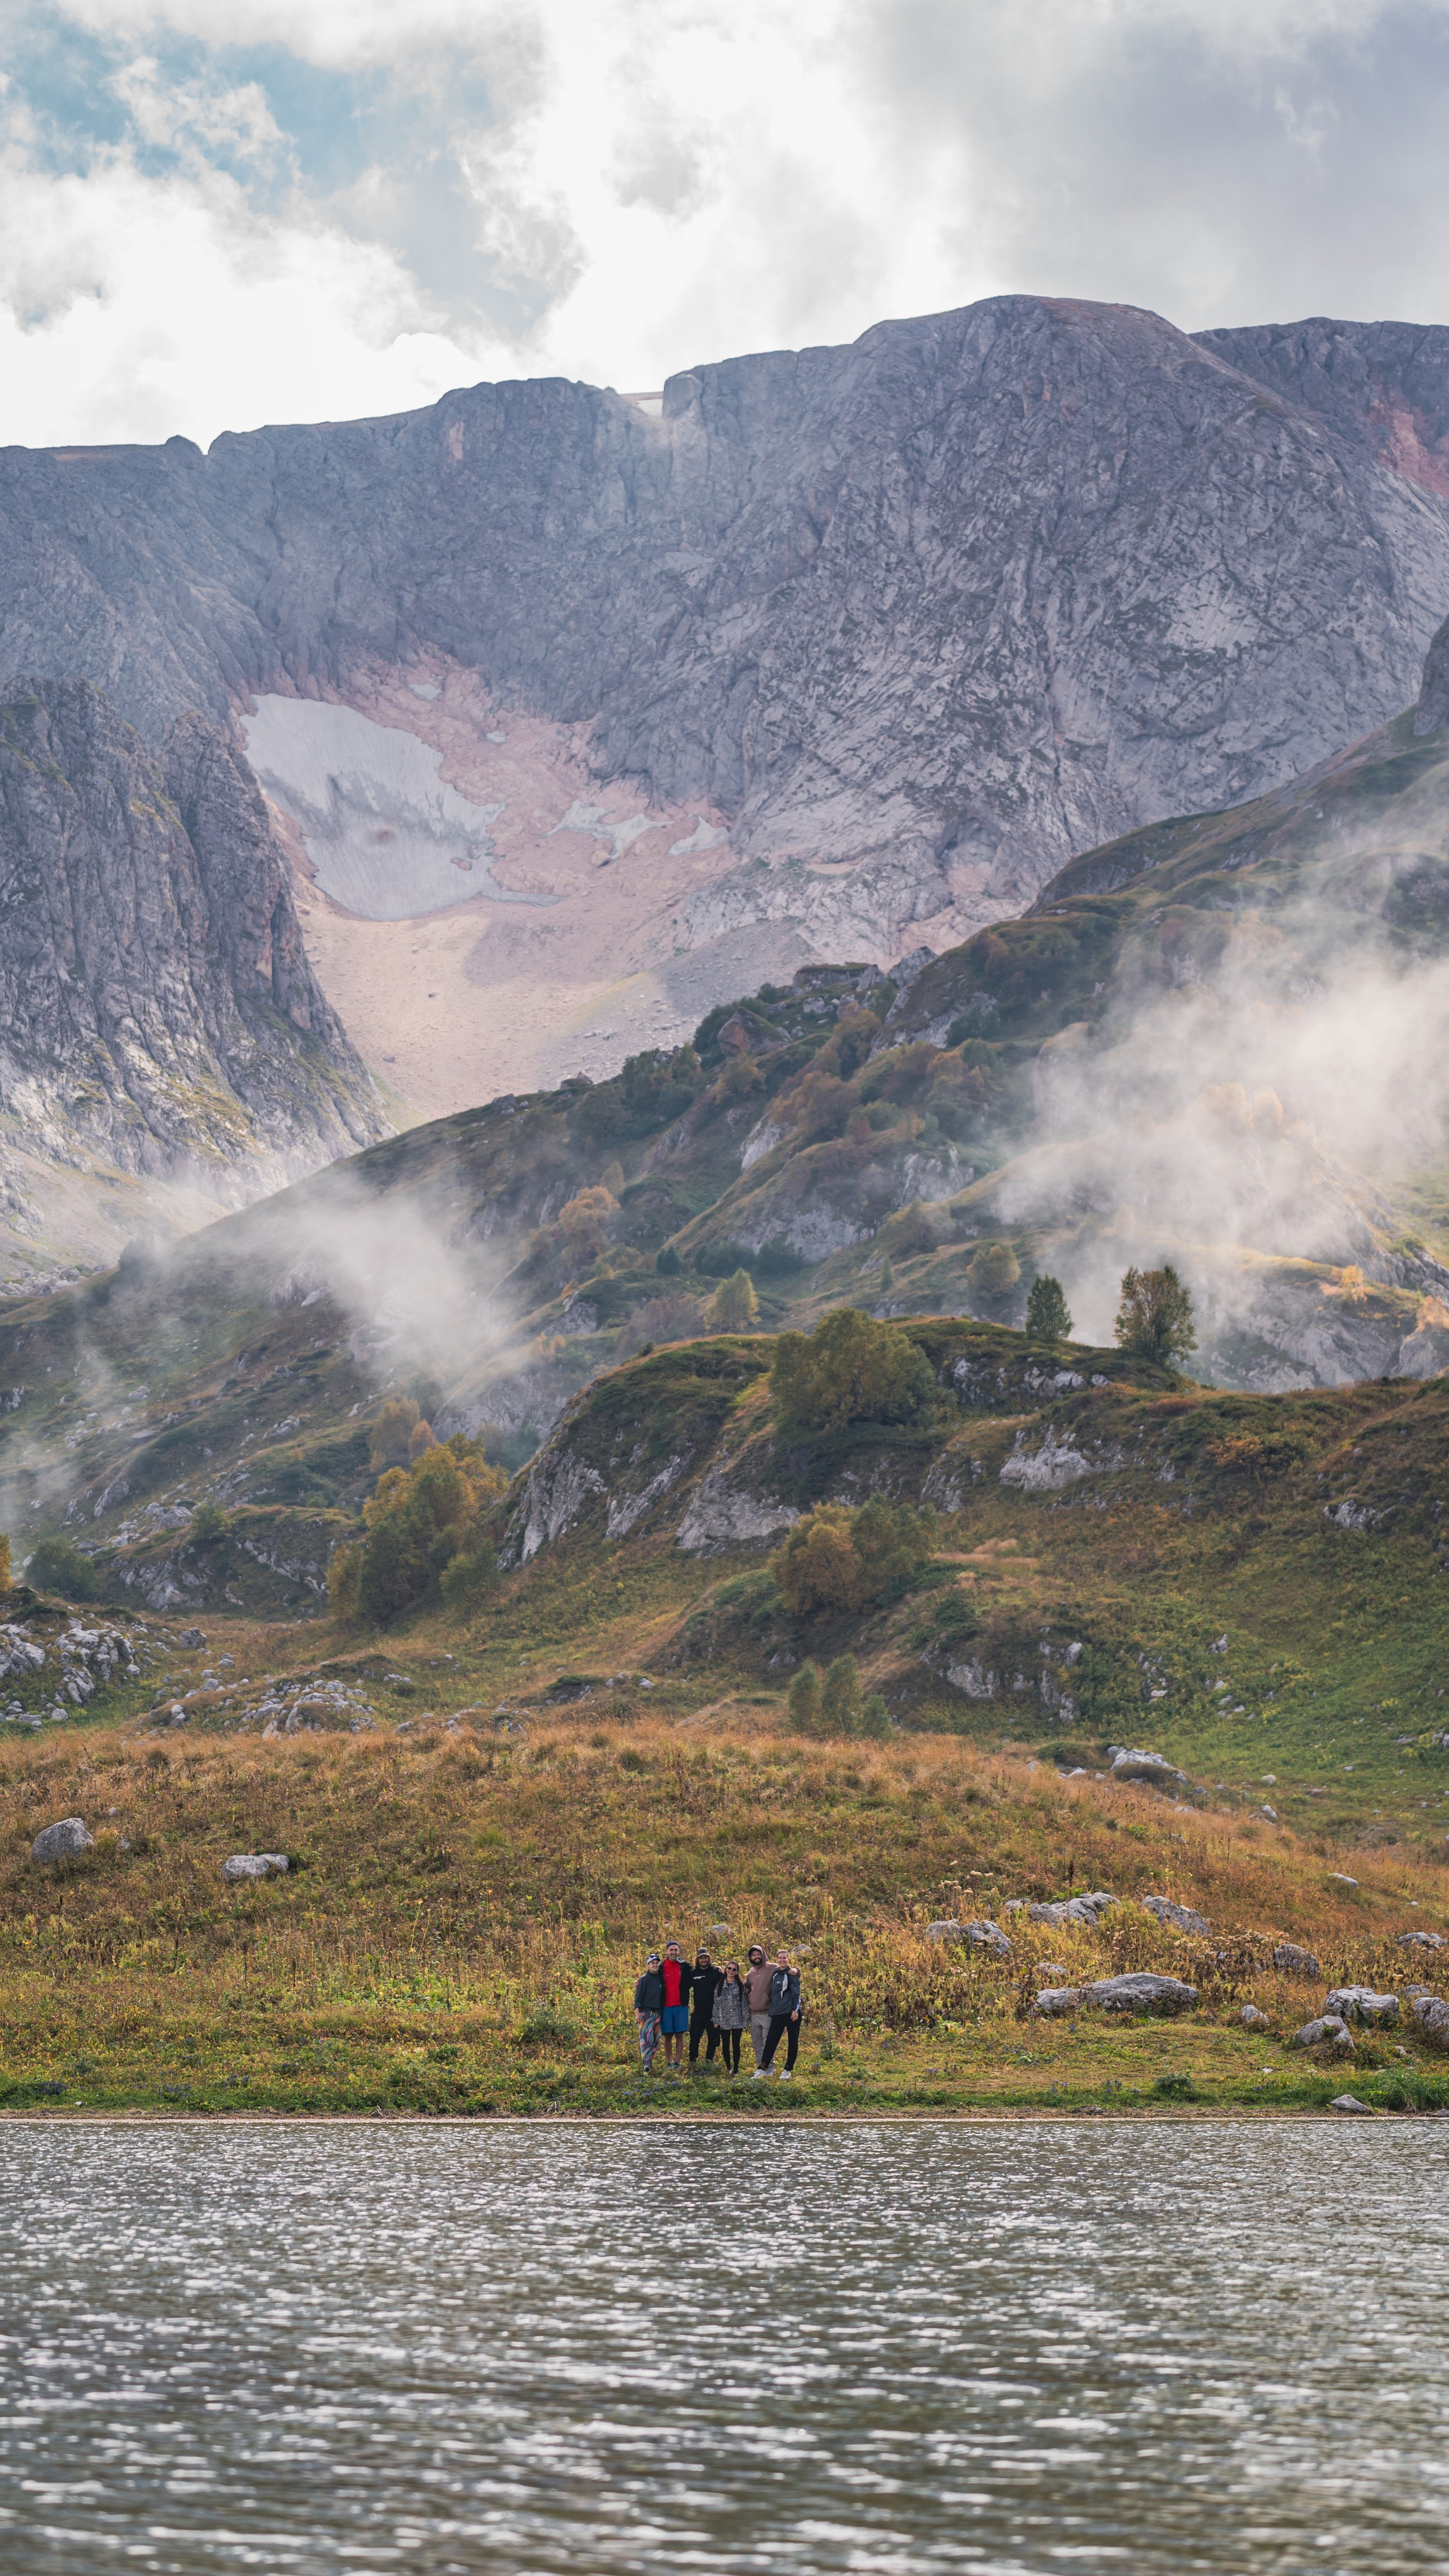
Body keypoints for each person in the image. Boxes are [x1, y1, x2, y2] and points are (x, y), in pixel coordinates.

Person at [757, 1948, 802, 2080]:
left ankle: (788, 2070)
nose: (782, 1960)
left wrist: (795, 2010)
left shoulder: (791, 1973)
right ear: (777, 1959)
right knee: (771, 2041)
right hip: (777, 2014)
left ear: (788, 1959)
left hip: (791, 2013)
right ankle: (763, 2069)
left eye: (785, 1958)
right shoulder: (776, 1973)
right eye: (780, 1958)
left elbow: (797, 1993)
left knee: (792, 2042)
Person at [658, 1939, 692, 2072]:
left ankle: (678, 2062)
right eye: (671, 1950)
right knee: (668, 2035)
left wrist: (717, 1969)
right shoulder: (661, 1967)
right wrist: (640, 1982)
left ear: (679, 1951)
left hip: (681, 2005)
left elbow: (699, 1972)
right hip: (666, 2006)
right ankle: (669, 2061)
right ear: (667, 1951)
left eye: (676, 1950)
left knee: (679, 2034)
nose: (674, 1952)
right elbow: (650, 1977)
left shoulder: (684, 1966)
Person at [687, 1947, 723, 2067]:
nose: (703, 1960)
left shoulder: (717, 1972)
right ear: (698, 1960)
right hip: (698, 2013)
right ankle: (692, 2062)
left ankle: (709, 2062)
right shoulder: (693, 1973)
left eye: (706, 1958)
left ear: (709, 1958)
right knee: (694, 2039)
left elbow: (729, 1982)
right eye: (701, 1958)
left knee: (714, 2039)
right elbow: (682, 1987)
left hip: (713, 2013)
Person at [711, 1959, 748, 2074]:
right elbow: (716, 2003)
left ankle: (736, 2068)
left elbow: (744, 2003)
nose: (731, 1971)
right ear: (726, 1969)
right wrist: (716, 2019)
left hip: (738, 2020)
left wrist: (746, 2020)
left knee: (736, 2044)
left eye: (734, 1969)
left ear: (737, 1972)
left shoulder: (741, 1985)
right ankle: (729, 2067)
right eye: (729, 1968)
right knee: (725, 2045)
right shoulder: (720, 1985)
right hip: (724, 2019)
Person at [743, 1943, 774, 2068]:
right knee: (757, 2043)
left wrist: (797, 1970)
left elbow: (786, 1969)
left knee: (768, 2043)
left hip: (767, 2012)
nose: (756, 1957)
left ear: (763, 1955)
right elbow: (747, 1988)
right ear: (750, 1958)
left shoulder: (772, 1968)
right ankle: (761, 2068)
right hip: (754, 2014)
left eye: (758, 1954)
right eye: (754, 1955)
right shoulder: (750, 1973)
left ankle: (770, 2068)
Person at [633, 1952, 664, 2074]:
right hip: (646, 2013)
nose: (655, 1965)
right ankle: (646, 2064)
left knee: (655, 2040)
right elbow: (638, 1998)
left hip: (658, 2012)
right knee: (646, 2039)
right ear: (648, 1965)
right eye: (652, 1963)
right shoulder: (644, 1979)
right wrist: (637, 2014)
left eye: (657, 1963)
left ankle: (650, 2062)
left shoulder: (660, 1978)